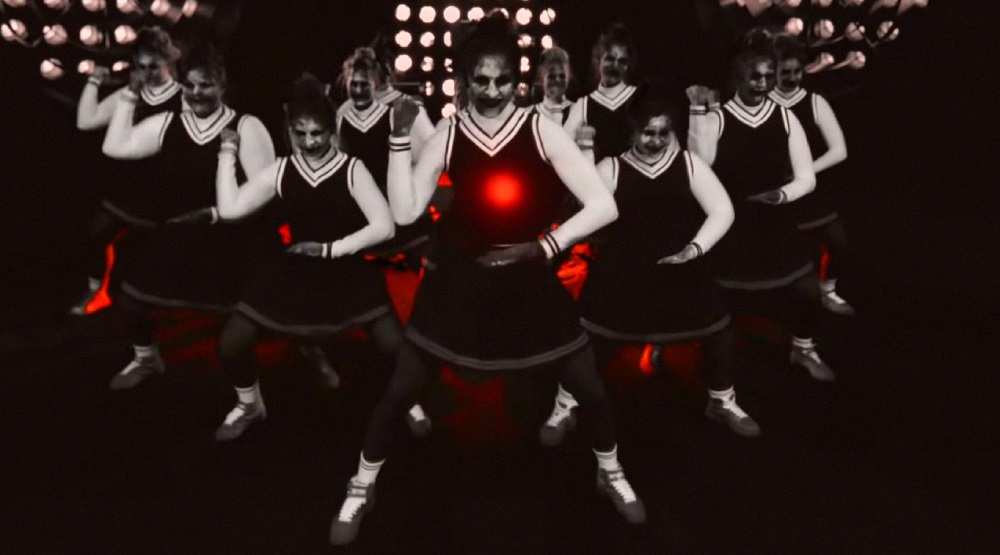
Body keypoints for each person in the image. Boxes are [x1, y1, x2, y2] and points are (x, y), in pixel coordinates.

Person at [329, 13, 645, 546]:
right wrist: (399, 139)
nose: (493, 90)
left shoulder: (540, 128)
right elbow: (405, 212)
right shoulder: (449, 132)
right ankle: (361, 485)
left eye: (503, 80)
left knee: (589, 386)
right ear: (464, 81)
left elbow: (603, 205)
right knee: (401, 388)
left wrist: (544, 246)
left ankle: (609, 471)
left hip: (526, 277)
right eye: (482, 80)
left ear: (516, 81)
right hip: (460, 278)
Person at [540, 86, 761, 443]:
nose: (657, 140)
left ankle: (722, 401)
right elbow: (585, 212)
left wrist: (696, 248)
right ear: (633, 130)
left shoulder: (689, 164)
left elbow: (722, 210)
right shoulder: (611, 168)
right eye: (648, 132)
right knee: (590, 344)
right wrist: (549, 246)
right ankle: (565, 405)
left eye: (663, 132)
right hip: (623, 276)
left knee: (719, 333)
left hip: (680, 272)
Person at [209, 73, 421, 441]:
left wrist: (329, 249)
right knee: (232, 342)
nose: (309, 142)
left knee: (394, 346)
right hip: (296, 268)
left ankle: (408, 402)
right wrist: (227, 153)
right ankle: (249, 404)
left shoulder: (351, 169)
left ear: (332, 130)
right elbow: (230, 209)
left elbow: (384, 226)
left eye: (317, 133)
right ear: (290, 131)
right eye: (301, 133)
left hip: (344, 267)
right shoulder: (281, 169)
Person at [100, 42, 276, 390]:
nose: (196, 93)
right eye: (190, 85)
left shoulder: (246, 126)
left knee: (247, 328)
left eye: (205, 85)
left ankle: (287, 368)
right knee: (130, 300)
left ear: (222, 86)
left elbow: (265, 192)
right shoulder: (168, 124)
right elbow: (114, 147)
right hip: (178, 235)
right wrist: (130, 96)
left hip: (230, 238)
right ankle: (147, 359)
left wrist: (215, 214)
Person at [687, 29, 834, 382]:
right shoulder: (718, 117)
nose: (763, 83)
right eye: (755, 76)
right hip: (732, 225)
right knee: (720, 305)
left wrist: (781, 195)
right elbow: (699, 164)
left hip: (774, 222)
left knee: (807, 291)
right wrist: (696, 112)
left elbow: (806, 178)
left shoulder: (785, 117)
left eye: (769, 76)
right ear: (740, 76)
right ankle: (715, 376)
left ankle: (803, 348)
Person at [71, 27, 183, 315]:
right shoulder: (131, 93)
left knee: (142, 257)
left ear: (167, 61)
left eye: (153, 66)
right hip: (126, 187)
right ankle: (96, 291)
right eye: (141, 66)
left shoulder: (184, 99)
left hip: (162, 191)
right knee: (95, 238)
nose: (147, 73)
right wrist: (94, 81)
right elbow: (86, 121)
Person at [770, 34, 854, 315]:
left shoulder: (815, 102)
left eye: (797, 71)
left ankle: (828, 290)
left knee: (838, 242)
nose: (792, 78)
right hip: (777, 195)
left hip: (811, 192)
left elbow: (839, 150)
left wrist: (805, 171)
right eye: (785, 72)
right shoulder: (761, 104)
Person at [564, 23, 639, 163]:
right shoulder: (583, 105)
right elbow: (562, 149)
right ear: (598, 60)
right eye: (610, 59)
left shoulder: (640, 98)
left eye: (622, 62)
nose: (615, 66)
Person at [531, 46, 574, 126]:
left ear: (569, 78)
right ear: (541, 78)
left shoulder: (577, 111)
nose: (557, 80)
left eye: (562, 76)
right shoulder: (530, 114)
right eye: (551, 76)